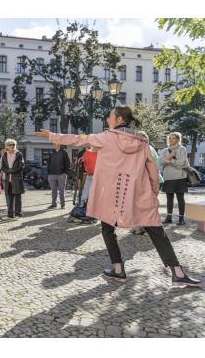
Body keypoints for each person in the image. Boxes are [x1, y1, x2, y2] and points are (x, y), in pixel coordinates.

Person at [34, 106, 200, 287]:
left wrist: (52, 135)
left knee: (107, 228)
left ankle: (118, 269)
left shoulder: (106, 137)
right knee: (156, 231)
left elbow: (79, 139)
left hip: (113, 194)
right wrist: (153, 192)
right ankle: (178, 272)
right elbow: (152, 169)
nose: (107, 119)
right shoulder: (142, 141)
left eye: (110, 116)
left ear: (119, 119)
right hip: (140, 192)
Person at [131, 131, 163, 235]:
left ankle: (139, 227)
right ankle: (144, 226)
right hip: (153, 179)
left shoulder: (143, 150)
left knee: (139, 204)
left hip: (145, 180)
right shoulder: (151, 149)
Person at [159, 132, 189, 226]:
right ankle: (168, 218)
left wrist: (169, 160)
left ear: (178, 139)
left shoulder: (182, 149)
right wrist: (170, 156)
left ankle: (181, 219)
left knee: (180, 198)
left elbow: (181, 164)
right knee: (169, 198)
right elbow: (160, 162)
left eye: (173, 138)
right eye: (170, 138)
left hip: (180, 176)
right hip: (168, 177)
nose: (171, 140)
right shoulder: (164, 150)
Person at [1, 139, 25, 219]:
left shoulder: (19, 154)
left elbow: (21, 166)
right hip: (8, 179)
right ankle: (10, 214)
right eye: (10, 145)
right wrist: (9, 171)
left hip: (17, 178)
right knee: (10, 197)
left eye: (13, 145)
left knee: (17, 197)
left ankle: (18, 214)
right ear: (7, 146)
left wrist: (11, 171)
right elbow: (2, 167)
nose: (12, 146)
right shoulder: (5, 155)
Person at [47, 142, 71, 209]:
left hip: (61, 175)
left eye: (55, 143)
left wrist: (65, 173)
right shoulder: (52, 153)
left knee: (61, 190)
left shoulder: (64, 152)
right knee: (53, 191)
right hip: (52, 175)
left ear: (59, 144)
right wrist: (49, 173)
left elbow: (68, 163)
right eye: (53, 144)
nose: (53, 145)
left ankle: (62, 205)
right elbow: (48, 163)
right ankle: (54, 204)